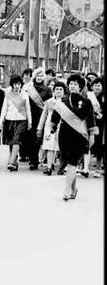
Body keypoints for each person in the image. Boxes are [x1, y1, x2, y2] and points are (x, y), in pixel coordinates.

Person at [51, 73, 98, 201]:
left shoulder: (86, 102)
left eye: (75, 84)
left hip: (79, 136)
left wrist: (92, 135)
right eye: (71, 83)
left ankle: (66, 189)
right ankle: (73, 189)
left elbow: (91, 120)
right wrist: (52, 127)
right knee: (69, 162)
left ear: (80, 87)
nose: (72, 86)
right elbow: (55, 116)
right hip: (64, 134)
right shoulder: (63, 101)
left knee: (73, 161)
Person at [0, 74, 32, 171]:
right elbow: (4, 108)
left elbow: (28, 109)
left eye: (18, 84)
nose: (17, 86)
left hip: (21, 120)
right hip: (9, 120)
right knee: (11, 141)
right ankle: (14, 162)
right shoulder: (8, 95)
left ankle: (11, 162)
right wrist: (1, 121)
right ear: (12, 85)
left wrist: (30, 122)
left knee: (17, 140)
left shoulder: (25, 94)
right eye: (15, 84)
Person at [22, 67, 51, 169]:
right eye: (37, 75)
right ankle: (32, 160)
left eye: (41, 76)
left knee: (39, 139)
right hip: (30, 116)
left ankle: (40, 159)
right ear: (34, 76)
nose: (39, 77)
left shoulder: (47, 90)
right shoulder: (28, 88)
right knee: (30, 139)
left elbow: (49, 104)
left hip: (41, 116)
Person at [35, 81, 66, 175]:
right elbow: (44, 115)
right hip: (50, 126)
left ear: (64, 91)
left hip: (63, 126)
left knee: (63, 148)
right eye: (57, 89)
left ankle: (62, 167)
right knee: (50, 146)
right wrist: (39, 128)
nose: (58, 91)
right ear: (53, 91)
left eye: (61, 89)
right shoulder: (49, 102)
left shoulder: (67, 102)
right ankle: (49, 167)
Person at [89, 76, 104, 178]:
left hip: (101, 125)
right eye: (95, 85)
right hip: (90, 123)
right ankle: (84, 166)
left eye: (99, 85)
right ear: (92, 86)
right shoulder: (89, 96)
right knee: (88, 144)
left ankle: (98, 168)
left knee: (100, 147)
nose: (97, 87)